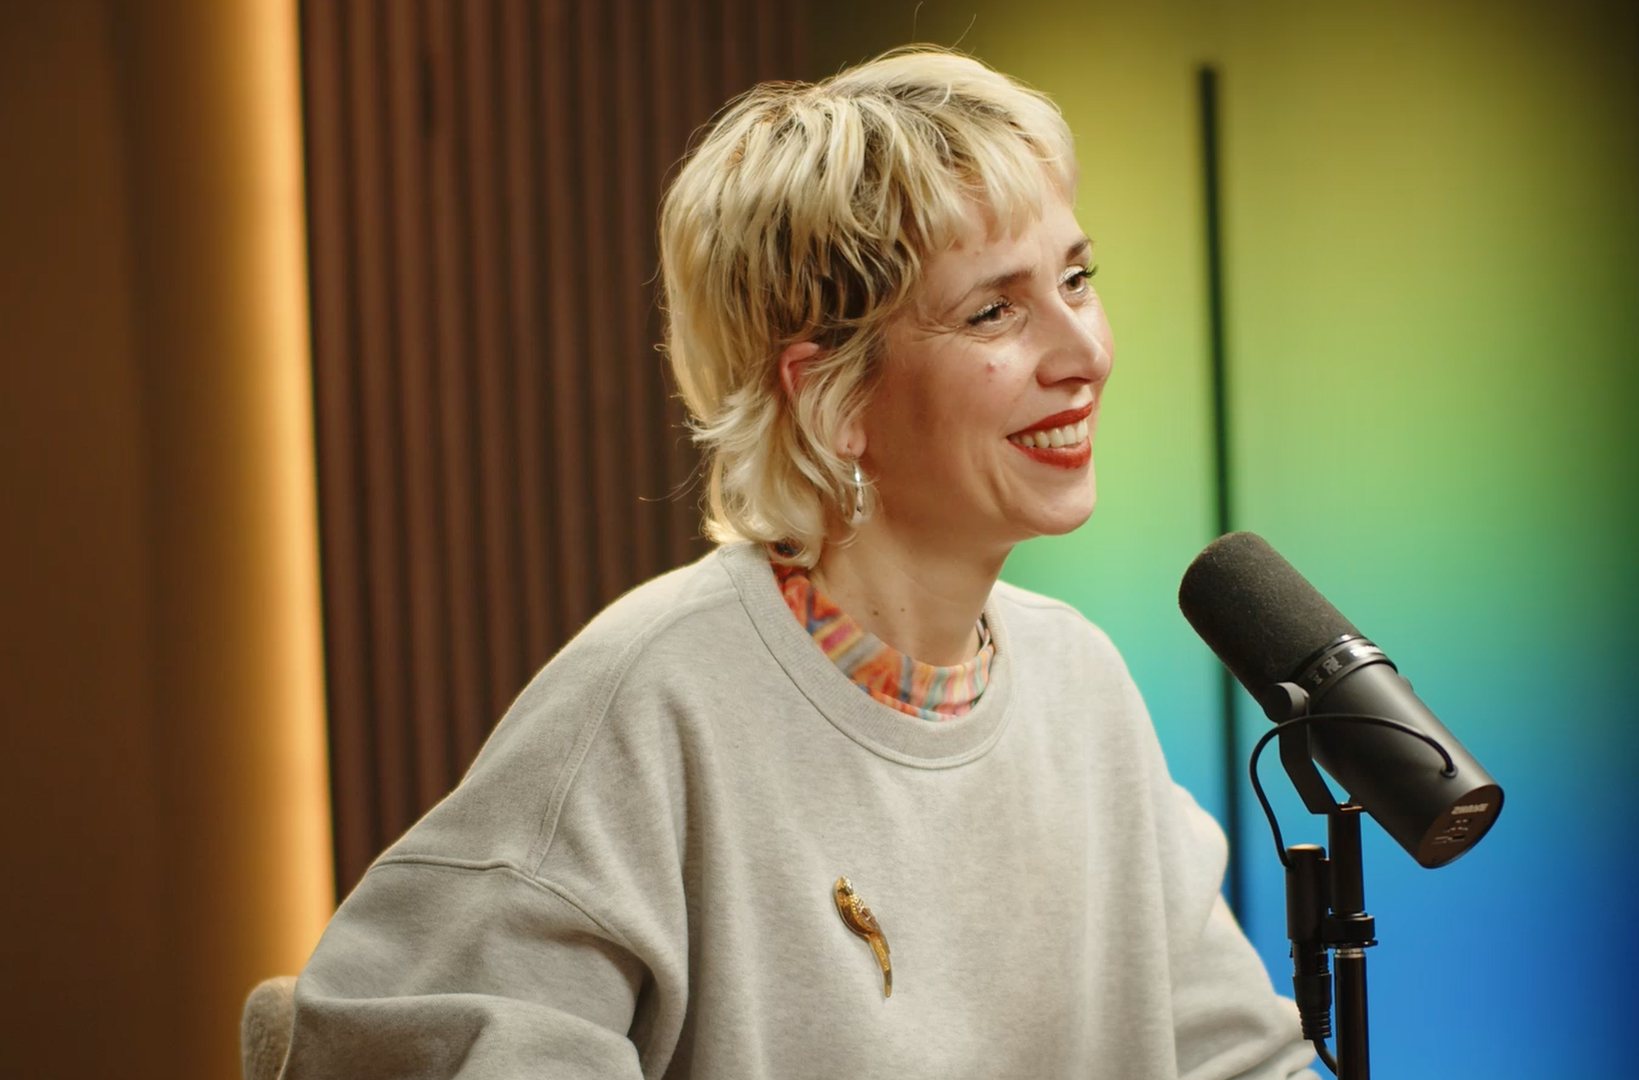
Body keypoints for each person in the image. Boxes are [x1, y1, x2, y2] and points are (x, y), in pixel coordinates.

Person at [279, 47, 1317, 1079]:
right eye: (994, 309)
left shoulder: (1082, 684)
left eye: (1077, 280)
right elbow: (381, 1038)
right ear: (835, 401)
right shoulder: (653, 694)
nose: (1084, 350)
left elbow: (1234, 1059)